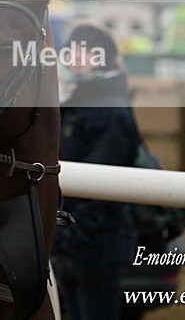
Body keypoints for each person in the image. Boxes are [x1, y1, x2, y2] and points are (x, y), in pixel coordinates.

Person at [52, 24, 141, 320]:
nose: (71, 56)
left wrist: (69, 237)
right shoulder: (81, 101)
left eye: (81, 50)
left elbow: (103, 186)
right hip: (73, 238)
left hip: (97, 241)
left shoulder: (110, 110)